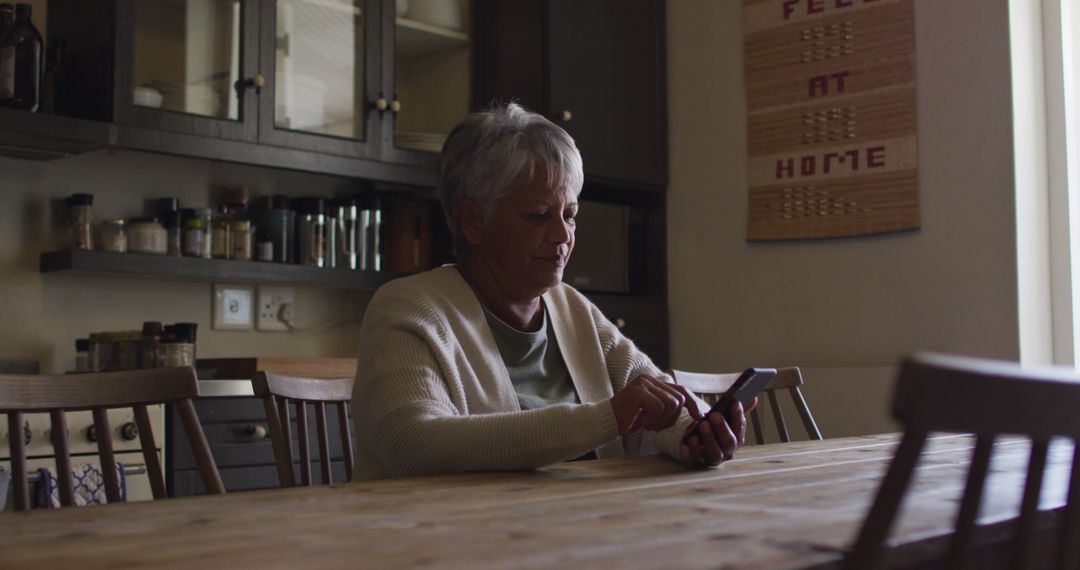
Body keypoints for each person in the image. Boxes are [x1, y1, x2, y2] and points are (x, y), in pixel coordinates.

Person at [351, 103, 748, 480]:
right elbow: (414, 445)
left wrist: (691, 435)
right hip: (449, 539)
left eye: (570, 215)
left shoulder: (571, 308)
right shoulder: (407, 308)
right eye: (538, 215)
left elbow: (652, 405)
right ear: (473, 220)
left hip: (571, 527)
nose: (562, 236)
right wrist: (608, 417)